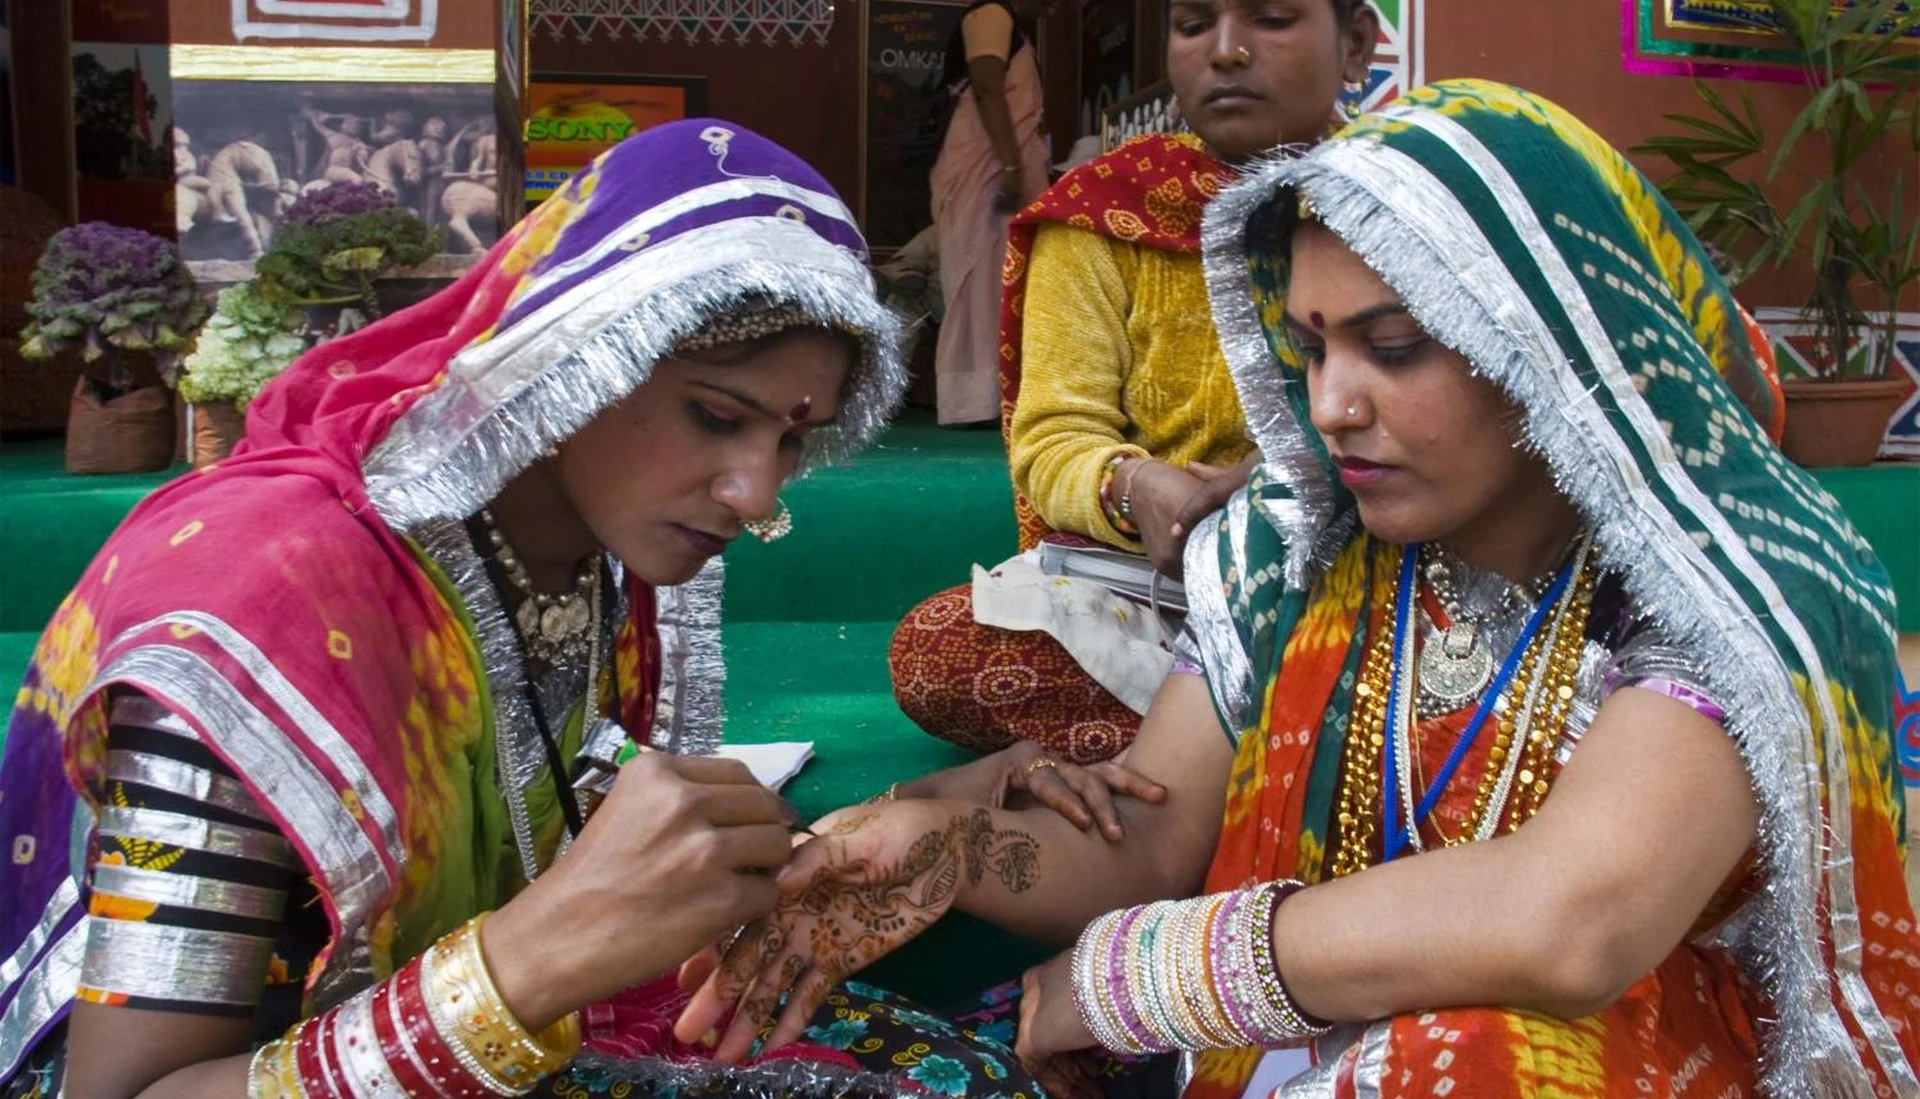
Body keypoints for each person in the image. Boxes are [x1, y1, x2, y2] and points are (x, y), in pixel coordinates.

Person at [677, 82, 1916, 1098]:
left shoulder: (1727, 581)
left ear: (1546, 347)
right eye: (1314, 345)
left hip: (1613, 1048)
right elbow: (1157, 836)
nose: (1329, 404)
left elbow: (1572, 924)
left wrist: (1135, 976)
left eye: (1392, 347)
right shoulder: (1295, 549)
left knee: (1463, 1057)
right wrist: (950, 849)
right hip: (1284, 1034)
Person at [0, 120, 1037, 1099]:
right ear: (580, 351)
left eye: (789, 443)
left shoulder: (577, 547)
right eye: (717, 415)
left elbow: (554, 854)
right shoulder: (259, 608)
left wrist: (907, 806)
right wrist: (518, 968)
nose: (756, 494)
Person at [892, 0, 1379, 764]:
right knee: (940, 654)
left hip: (1366, 566)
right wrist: (1136, 487)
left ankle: (1208, 749)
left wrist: (1282, 479)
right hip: (1157, 592)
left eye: (1272, 18)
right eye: (1193, 26)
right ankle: (1297, 741)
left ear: (1355, 45)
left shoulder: (1405, 209)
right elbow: (1052, 439)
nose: (1227, 52)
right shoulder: (1101, 216)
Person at [929, 0, 1053, 427]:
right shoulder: (991, 15)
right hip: (989, 167)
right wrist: (1011, 165)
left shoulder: (1007, 23)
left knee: (1000, 280)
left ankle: (993, 399)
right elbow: (985, 86)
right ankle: (978, 404)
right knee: (982, 279)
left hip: (999, 163)